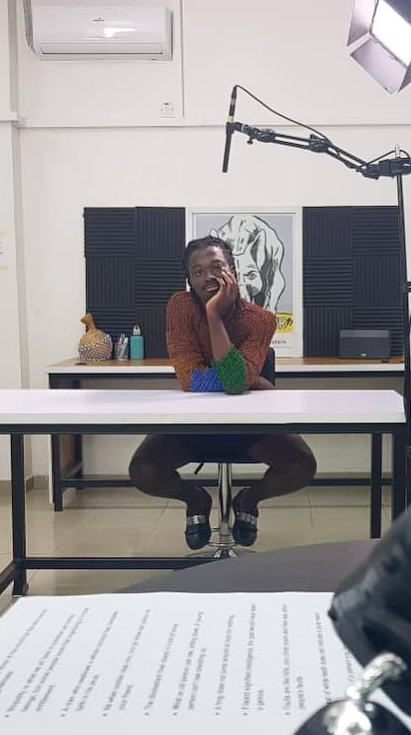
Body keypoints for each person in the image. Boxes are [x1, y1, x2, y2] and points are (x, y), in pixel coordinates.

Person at [129, 236, 317, 550]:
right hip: (193, 425)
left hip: (249, 426)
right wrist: (251, 381)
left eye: (217, 267)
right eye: (198, 271)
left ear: (233, 270)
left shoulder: (261, 320)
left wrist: (215, 316)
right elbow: (192, 379)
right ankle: (197, 501)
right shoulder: (180, 306)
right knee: (143, 470)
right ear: (189, 280)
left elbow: (233, 381)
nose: (208, 277)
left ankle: (247, 501)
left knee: (302, 466)